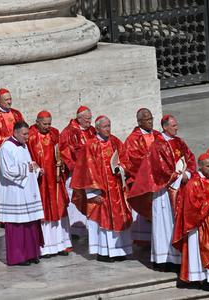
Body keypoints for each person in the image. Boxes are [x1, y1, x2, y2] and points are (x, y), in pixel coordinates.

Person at [128, 113, 195, 268]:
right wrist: (178, 176)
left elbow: (190, 158)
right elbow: (159, 169)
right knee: (164, 225)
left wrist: (188, 173)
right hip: (164, 191)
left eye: (176, 125)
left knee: (175, 224)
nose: (177, 127)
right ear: (165, 127)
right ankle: (163, 259)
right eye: (174, 125)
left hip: (180, 189)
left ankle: (178, 258)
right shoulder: (158, 145)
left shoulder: (179, 142)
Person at [70, 115, 133, 260]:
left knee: (118, 218)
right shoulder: (90, 145)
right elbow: (86, 171)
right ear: (97, 128)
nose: (108, 129)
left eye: (109, 126)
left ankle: (119, 251)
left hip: (116, 189)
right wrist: (92, 193)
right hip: (101, 191)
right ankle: (104, 252)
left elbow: (125, 160)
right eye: (105, 127)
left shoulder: (115, 141)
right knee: (102, 220)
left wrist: (121, 169)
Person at [172, 153, 209, 290]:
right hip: (199, 226)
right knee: (200, 253)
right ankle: (202, 279)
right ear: (201, 167)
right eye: (208, 166)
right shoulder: (193, 183)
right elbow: (191, 207)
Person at [0, 120, 45, 266]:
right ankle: (18, 257)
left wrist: (36, 169)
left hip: (27, 191)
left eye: (28, 133)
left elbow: (29, 164)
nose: (27, 137)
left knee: (30, 223)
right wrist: (27, 169)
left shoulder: (23, 146)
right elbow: (7, 171)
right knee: (18, 225)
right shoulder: (7, 147)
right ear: (15, 132)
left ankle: (31, 254)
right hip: (14, 193)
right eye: (24, 134)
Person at [27, 111, 71, 256]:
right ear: (37, 122)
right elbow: (28, 157)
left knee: (58, 209)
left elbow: (61, 152)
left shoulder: (54, 133)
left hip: (55, 178)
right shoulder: (31, 136)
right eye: (45, 124)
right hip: (40, 180)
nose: (47, 127)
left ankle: (60, 244)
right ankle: (45, 247)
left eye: (49, 124)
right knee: (44, 212)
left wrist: (62, 162)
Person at [121, 108, 158, 244]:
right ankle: (143, 240)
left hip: (158, 180)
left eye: (151, 119)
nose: (150, 122)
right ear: (139, 122)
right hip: (141, 181)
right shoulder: (132, 139)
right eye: (147, 120)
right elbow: (131, 160)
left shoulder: (158, 135)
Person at [60, 104, 96, 236]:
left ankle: (88, 226)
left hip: (91, 174)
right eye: (87, 119)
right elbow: (65, 152)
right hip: (76, 173)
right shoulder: (68, 132)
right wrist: (77, 168)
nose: (89, 121)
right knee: (76, 198)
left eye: (90, 118)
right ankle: (75, 230)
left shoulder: (92, 130)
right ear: (79, 118)